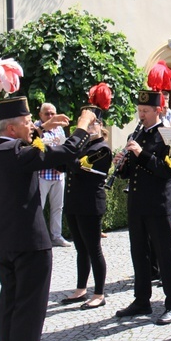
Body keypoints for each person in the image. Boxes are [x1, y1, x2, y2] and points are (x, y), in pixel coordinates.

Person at [0, 96, 95, 341]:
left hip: (6, 241)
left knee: (10, 305)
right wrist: (82, 126)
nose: (33, 125)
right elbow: (64, 151)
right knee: (29, 310)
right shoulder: (17, 153)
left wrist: (43, 127)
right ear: (15, 128)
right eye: (28, 122)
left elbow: (33, 146)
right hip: (28, 242)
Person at [113, 88, 171, 325]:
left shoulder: (169, 134)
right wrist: (121, 166)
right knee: (139, 252)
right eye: (139, 110)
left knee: (164, 252)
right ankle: (141, 300)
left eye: (145, 111)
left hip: (158, 202)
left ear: (158, 110)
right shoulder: (138, 134)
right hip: (137, 201)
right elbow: (131, 172)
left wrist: (141, 154)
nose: (141, 115)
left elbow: (168, 170)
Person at [61, 110, 112, 310]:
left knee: (94, 249)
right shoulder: (82, 145)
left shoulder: (102, 149)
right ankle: (81, 289)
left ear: (100, 125)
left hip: (90, 204)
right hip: (74, 202)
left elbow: (78, 168)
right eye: (86, 125)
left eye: (93, 124)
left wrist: (66, 153)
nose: (89, 128)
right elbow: (62, 166)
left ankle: (99, 293)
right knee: (80, 249)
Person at [34, 103, 71, 247]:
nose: (50, 116)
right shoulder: (36, 128)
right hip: (42, 174)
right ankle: (38, 237)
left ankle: (56, 236)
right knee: (39, 207)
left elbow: (63, 148)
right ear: (41, 115)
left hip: (58, 174)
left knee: (58, 207)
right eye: (46, 114)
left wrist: (61, 165)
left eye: (52, 113)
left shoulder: (59, 128)